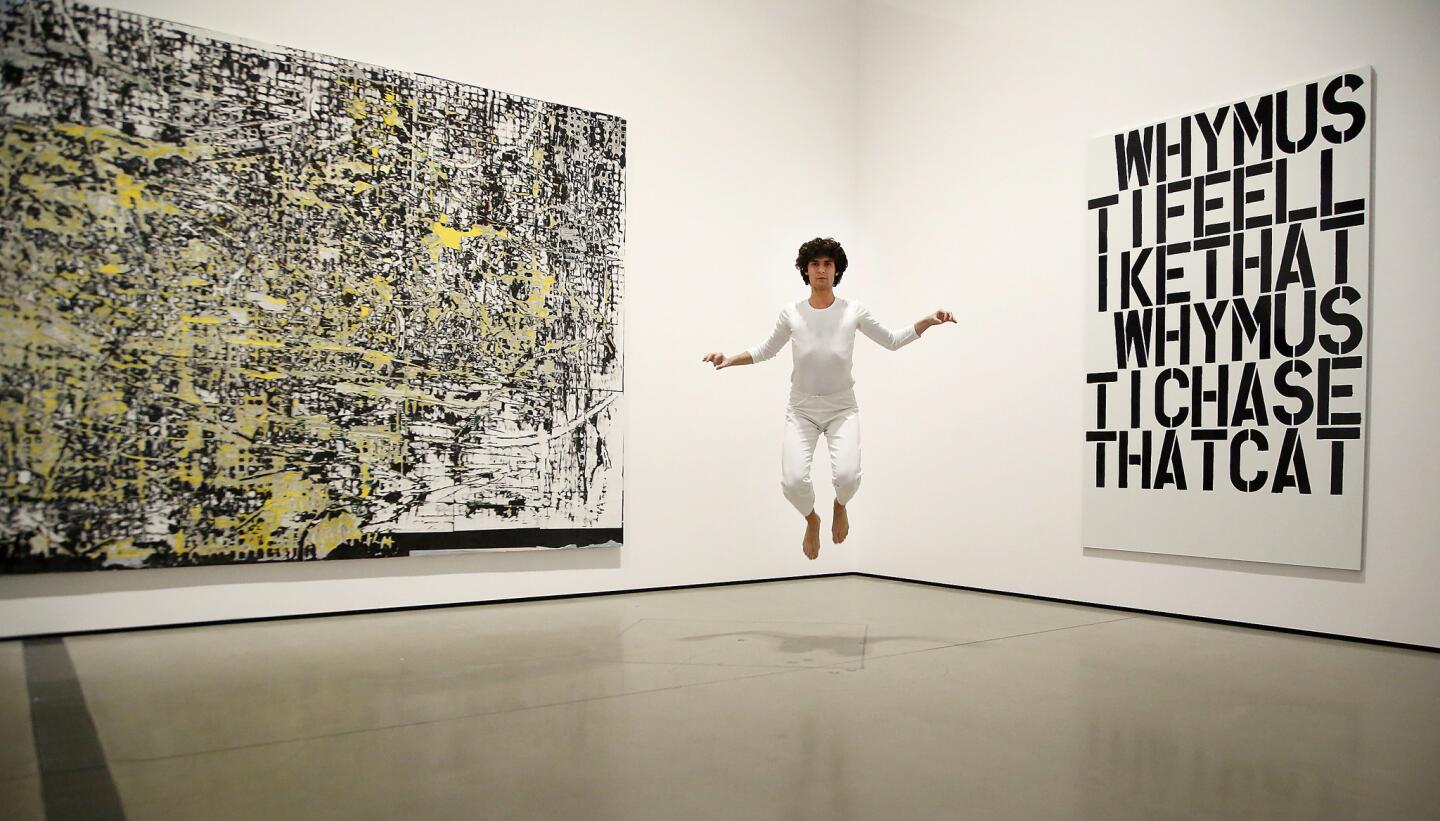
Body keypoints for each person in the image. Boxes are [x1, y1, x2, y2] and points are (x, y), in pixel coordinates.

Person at [702, 237, 955, 560]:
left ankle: (839, 505)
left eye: (828, 264)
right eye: (815, 264)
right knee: (793, 482)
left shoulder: (853, 311)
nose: (821, 270)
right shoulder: (791, 314)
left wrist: (927, 321)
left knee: (848, 478)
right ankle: (812, 518)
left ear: (837, 270)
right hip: (802, 409)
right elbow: (766, 350)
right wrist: (729, 359)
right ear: (806, 271)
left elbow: (892, 341)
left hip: (841, 408)